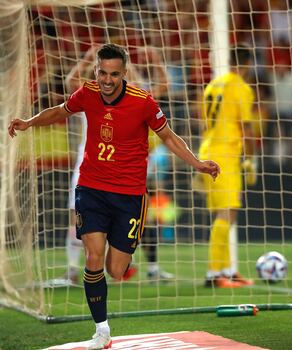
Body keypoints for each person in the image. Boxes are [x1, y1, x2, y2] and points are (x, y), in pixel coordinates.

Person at [8, 43, 220, 350]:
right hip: (91, 188)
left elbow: (169, 137)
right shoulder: (87, 93)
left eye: (114, 74)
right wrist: (29, 122)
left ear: (124, 74)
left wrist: (198, 163)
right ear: (96, 70)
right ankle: (102, 330)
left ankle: (123, 261)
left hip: (130, 195)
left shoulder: (142, 101)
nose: (107, 80)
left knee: (115, 269)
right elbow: (59, 111)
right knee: (93, 257)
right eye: (102, 73)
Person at [63, 45, 174, 284]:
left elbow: (161, 87)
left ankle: (150, 267)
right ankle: (72, 269)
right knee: (77, 217)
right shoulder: (90, 96)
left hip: (129, 167)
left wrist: (144, 62)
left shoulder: (134, 99)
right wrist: (87, 58)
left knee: (141, 216)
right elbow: (71, 81)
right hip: (90, 167)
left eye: (117, 73)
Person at [198, 43, 257, 288]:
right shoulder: (240, 88)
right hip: (226, 154)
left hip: (208, 150)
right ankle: (214, 274)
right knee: (227, 213)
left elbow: (204, 123)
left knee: (225, 214)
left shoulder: (213, 85)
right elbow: (247, 127)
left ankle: (227, 270)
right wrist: (251, 159)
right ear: (247, 64)